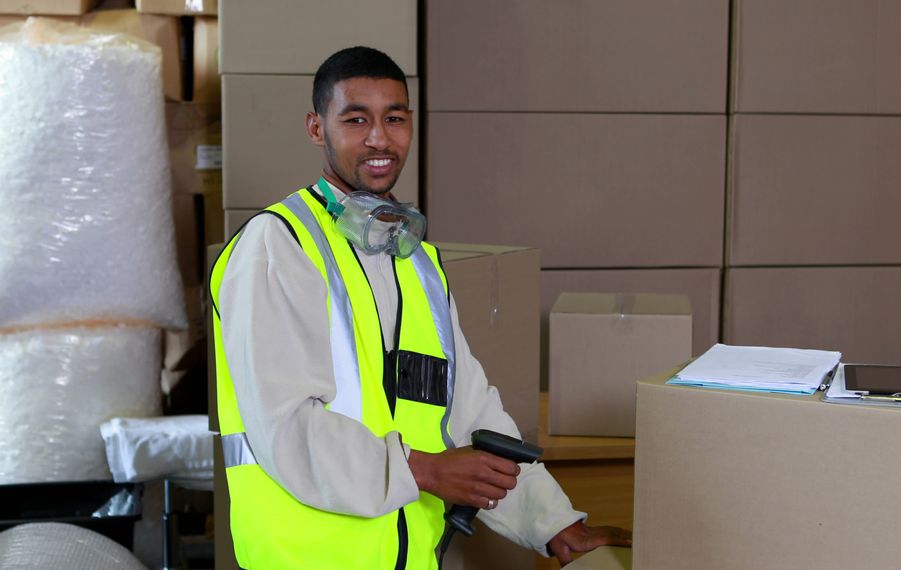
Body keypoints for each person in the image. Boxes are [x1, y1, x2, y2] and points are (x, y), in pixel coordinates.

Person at [209, 46, 631, 569]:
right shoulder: (279, 246)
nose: (380, 138)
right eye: (356, 119)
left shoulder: (416, 262)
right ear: (317, 128)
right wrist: (426, 472)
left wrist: (552, 523)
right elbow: (286, 426)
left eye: (395, 119)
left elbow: (471, 412)